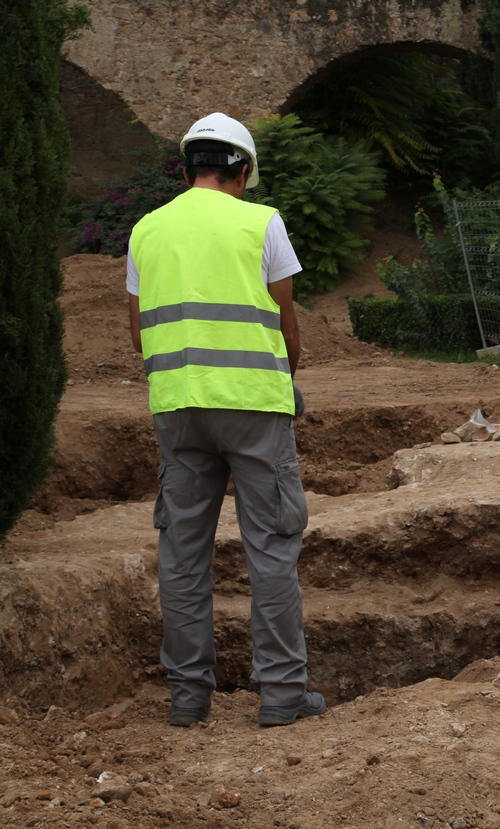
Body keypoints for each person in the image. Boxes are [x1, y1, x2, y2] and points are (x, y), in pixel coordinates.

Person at [127, 112, 324, 727]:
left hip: (178, 407)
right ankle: (283, 695)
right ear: (240, 170)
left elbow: (138, 333)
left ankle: (187, 698)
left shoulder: (146, 230)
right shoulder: (261, 222)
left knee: (183, 554)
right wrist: (283, 375)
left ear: (188, 169)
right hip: (255, 407)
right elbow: (287, 322)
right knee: (270, 547)